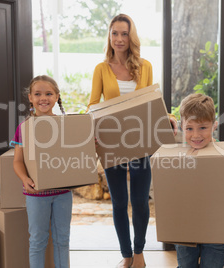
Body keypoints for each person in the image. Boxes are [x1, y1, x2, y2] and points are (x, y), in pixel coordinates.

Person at [87, 14, 178, 268]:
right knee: (118, 202)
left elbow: (153, 101)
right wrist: (90, 127)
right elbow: (93, 104)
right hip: (112, 143)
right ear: (109, 36)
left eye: (124, 34)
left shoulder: (145, 66)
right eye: (114, 33)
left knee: (139, 201)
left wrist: (168, 116)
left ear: (131, 37)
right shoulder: (101, 69)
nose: (118, 39)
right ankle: (126, 254)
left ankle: (139, 252)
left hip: (139, 143)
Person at [175, 93, 224, 268]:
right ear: (181, 127)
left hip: (217, 230)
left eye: (202, 128)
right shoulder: (176, 157)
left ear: (214, 126)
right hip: (185, 230)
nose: (196, 135)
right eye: (189, 128)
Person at [11, 75, 71, 268]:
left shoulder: (66, 126)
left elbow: (75, 156)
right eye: (37, 94)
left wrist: (89, 145)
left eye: (48, 93)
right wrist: (24, 178)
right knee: (37, 240)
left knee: (62, 239)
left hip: (63, 192)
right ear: (30, 98)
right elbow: (17, 161)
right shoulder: (24, 127)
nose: (43, 98)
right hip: (36, 193)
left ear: (56, 97)